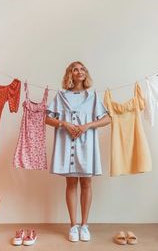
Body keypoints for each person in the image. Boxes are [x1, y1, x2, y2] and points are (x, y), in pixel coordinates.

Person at [46, 61, 110, 242]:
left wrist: (88, 125)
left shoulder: (92, 96)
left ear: (85, 73)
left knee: (86, 184)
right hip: (67, 144)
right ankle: (73, 226)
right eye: (76, 69)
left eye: (82, 69)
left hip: (86, 144)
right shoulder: (61, 96)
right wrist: (64, 123)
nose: (79, 71)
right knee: (71, 184)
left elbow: (107, 119)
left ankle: (84, 225)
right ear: (70, 74)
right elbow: (47, 118)